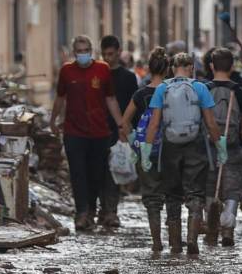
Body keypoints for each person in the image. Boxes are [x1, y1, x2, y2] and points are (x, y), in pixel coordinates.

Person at [142, 53, 222, 255]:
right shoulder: (200, 88)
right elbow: (211, 123)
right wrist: (221, 147)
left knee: (172, 194)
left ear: (172, 68)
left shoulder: (162, 88)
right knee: (195, 192)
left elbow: (154, 123)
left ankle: (175, 244)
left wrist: (146, 150)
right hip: (195, 145)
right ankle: (192, 238)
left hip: (170, 145)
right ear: (191, 67)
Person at [52, 35, 126, 232]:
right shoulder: (67, 71)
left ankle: (92, 210)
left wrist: (121, 124)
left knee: (95, 174)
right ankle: (82, 213)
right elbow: (60, 97)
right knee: (77, 173)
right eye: (79, 51)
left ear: (91, 51)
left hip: (99, 132)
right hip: (74, 131)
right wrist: (53, 120)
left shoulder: (102, 70)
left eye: (86, 51)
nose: (82, 54)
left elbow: (110, 99)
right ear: (73, 52)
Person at [120, 47, 170, 253]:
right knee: (173, 196)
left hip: (145, 152)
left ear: (149, 69)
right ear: (168, 69)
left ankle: (156, 240)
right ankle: (177, 241)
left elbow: (124, 122)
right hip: (172, 149)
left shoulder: (140, 94)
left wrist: (133, 142)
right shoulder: (171, 91)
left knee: (151, 197)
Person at [205, 48, 242, 247]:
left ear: (211, 66)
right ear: (232, 67)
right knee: (232, 189)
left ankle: (211, 228)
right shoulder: (239, 90)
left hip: (208, 148)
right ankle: (228, 229)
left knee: (209, 187)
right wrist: (240, 136)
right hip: (232, 147)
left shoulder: (204, 89)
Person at [96, 35, 139, 228]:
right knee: (98, 171)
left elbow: (134, 103)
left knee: (114, 171)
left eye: (111, 54)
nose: (108, 58)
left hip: (118, 130)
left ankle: (111, 211)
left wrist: (129, 129)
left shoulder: (128, 77)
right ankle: (101, 208)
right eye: (104, 54)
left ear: (119, 52)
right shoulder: (97, 75)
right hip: (97, 129)